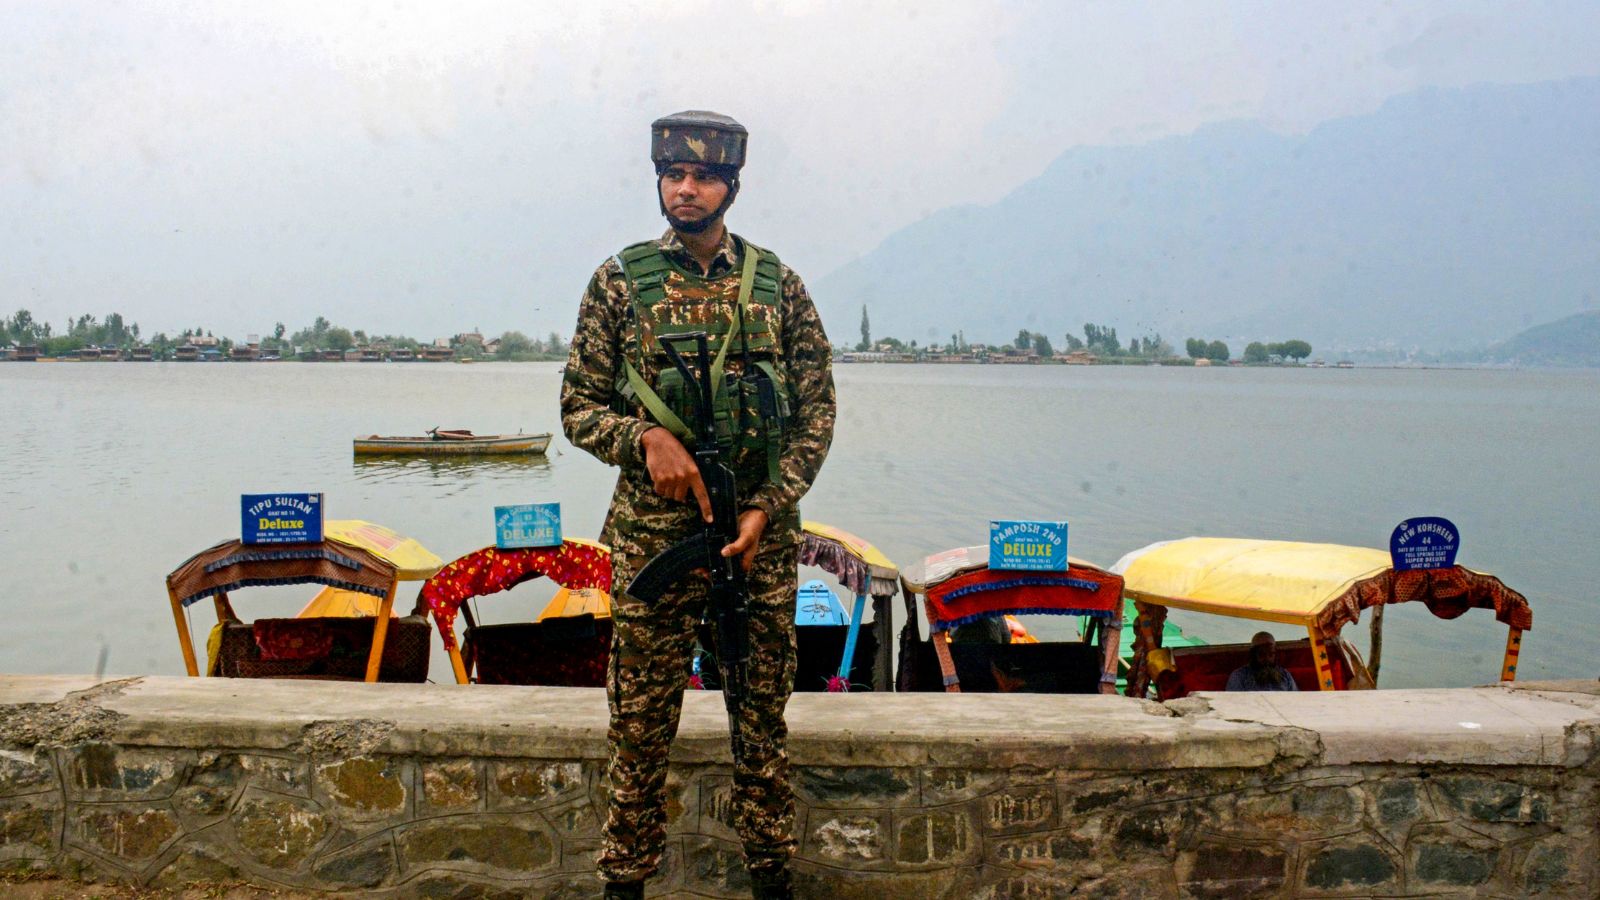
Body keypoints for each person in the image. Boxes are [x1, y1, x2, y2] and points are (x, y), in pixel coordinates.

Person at [561, 110, 836, 900]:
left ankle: (772, 875)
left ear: (732, 186)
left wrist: (768, 505)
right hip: (654, 542)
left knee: (763, 726)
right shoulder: (620, 282)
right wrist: (643, 437)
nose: (686, 189)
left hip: (757, 545)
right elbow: (578, 407)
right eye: (674, 174)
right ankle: (625, 883)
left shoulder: (779, 287)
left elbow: (817, 412)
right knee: (639, 729)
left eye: (705, 176)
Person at [1226, 631, 1300, 692]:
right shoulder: (1239, 676)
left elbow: (1296, 700)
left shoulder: (1285, 675)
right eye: (1262, 654)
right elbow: (1234, 703)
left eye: (1271, 654)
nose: (1267, 658)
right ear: (1253, 655)